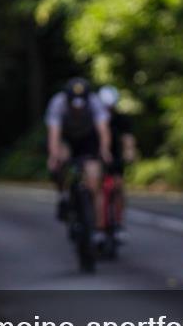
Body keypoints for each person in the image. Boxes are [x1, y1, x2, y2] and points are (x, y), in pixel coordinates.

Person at [45, 78, 112, 229]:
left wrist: (105, 150)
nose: (78, 109)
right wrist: (54, 156)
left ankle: (97, 226)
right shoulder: (58, 103)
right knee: (59, 161)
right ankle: (63, 195)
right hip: (67, 139)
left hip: (88, 140)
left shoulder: (95, 102)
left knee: (94, 178)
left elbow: (103, 130)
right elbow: (54, 133)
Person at [97, 85, 136, 238]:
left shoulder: (121, 119)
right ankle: (97, 225)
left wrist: (129, 153)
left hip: (115, 156)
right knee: (95, 188)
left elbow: (128, 139)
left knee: (118, 187)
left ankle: (118, 222)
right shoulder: (95, 118)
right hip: (97, 156)